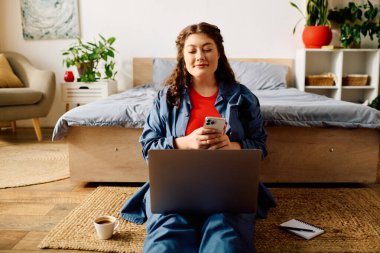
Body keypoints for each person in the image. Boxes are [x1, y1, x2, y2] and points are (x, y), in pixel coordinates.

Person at [120, 22, 276, 253]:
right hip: (175, 184)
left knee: (226, 237)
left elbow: (260, 145)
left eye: (207, 48)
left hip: (228, 184)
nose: (200, 56)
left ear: (218, 52)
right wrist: (185, 143)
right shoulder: (166, 98)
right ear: (183, 57)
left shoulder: (243, 97)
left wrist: (232, 146)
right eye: (192, 50)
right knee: (166, 237)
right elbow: (148, 148)